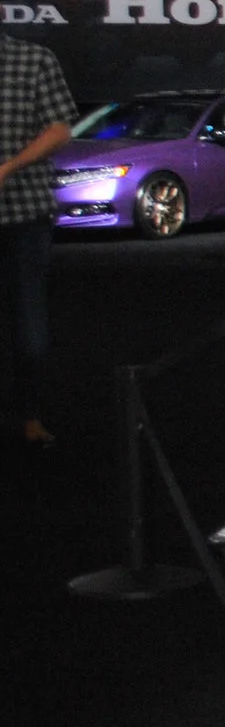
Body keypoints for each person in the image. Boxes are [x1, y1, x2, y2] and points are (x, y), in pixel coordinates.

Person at [0, 33, 74, 445]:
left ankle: (30, 417)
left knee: (29, 329)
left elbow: (59, 129)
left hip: (24, 216)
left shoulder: (33, 60)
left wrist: (9, 167)